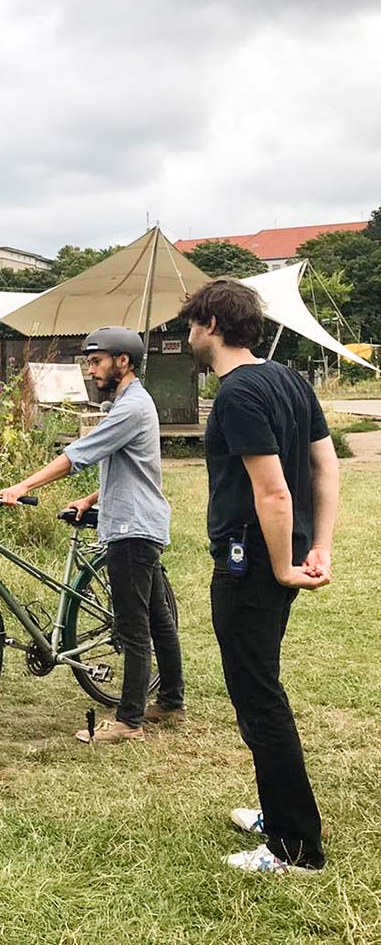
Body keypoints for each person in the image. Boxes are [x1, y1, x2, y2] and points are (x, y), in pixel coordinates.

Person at [180, 279, 336, 874]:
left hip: (252, 565)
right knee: (261, 689)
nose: (188, 334)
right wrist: (316, 546)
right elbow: (325, 466)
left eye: (192, 323)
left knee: (258, 700)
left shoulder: (238, 394)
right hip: (280, 559)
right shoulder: (290, 379)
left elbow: (272, 491)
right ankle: (280, 812)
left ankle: (295, 848)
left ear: (212, 325)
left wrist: (279, 565)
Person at [0, 326, 185, 744]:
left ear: (123, 362)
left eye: (97, 362)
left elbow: (79, 454)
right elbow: (133, 467)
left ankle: (130, 721)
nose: (91, 370)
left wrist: (23, 486)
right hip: (138, 522)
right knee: (158, 620)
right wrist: (91, 498)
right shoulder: (132, 404)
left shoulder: (131, 407)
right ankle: (171, 701)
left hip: (132, 530)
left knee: (134, 628)